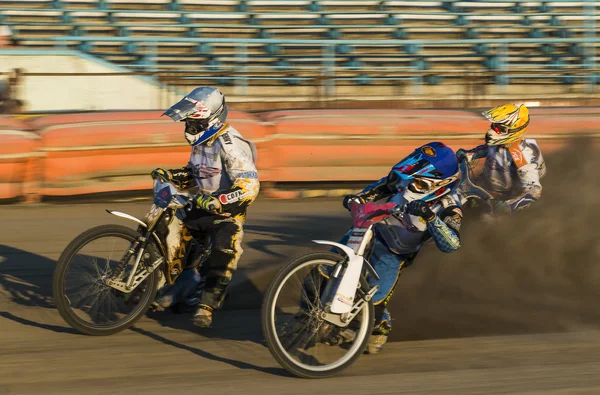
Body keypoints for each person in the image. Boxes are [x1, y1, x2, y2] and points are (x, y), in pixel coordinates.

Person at [151, 86, 260, 328]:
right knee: (165, 225)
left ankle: (207, 305)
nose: (189, 128)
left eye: (194, 122)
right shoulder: (202, 141)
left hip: (227, 214)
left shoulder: (231, 144)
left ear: (212, 119)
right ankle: (167, 283)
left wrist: (219, 200)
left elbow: (250, 187)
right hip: (200, 204)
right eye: (188, 122)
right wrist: (171, 175)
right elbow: (194, 174)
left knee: (225, 248)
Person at [341, 141, 464, 354]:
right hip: (370, 231)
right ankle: (306, 315)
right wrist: (359, 197)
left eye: (417, 185)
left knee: (372, 303)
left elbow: (452, 244)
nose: (404, 187)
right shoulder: (401, 181)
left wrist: (430, 216)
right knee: (323, 270)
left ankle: (380, 325)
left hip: (394, 254)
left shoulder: (450, 206)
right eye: (405, 180)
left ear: (440, 186)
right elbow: (381, 186)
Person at [456, 103, 546, 213]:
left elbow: (534, 190)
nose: (492, 130)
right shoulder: (501, 143)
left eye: (498, 128)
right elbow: (487, 148)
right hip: (483, 189)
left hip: (503, 200)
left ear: (513, 130)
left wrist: (508, 206)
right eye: (493, 125)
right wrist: (469, 154)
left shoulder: (521, 155)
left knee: (484, 222)